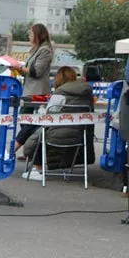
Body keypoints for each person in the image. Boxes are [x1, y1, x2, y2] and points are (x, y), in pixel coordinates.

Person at [21, 66, 94, 181]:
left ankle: (38, 169)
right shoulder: (87, 94)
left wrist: (42, 109)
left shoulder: (59, 94)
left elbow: (49, 115)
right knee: (34, 130)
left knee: (35, 132)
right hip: (80, 135)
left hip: (57, 134)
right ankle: (14, 151)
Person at [13, 23, 54, 155]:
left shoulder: (45, 50)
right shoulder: (35, 49)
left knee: (29, 122)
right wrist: (18, 69)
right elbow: (28, 71)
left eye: (31, 33)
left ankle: (21, 150)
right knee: (25, 120)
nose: (29, 36)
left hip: (38, 93)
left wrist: (20, 68)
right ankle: (30, 150)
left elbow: (37, 71)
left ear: (38, 35)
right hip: (29, 91)